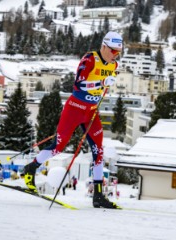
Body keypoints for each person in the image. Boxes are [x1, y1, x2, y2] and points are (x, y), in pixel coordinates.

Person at [22, 31, 123, 209]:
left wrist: (105, 85)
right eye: (113, 51)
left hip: (91, 112)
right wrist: (101, 83)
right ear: (104, 46)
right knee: (59, 146)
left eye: (118, 52)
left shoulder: (114, 65)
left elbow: (103, 86)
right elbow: (78, 84)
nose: (115, 55)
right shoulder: (90, 59)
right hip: (75, 109)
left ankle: (98, 195)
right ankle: (31, 168)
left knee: (99, 151)